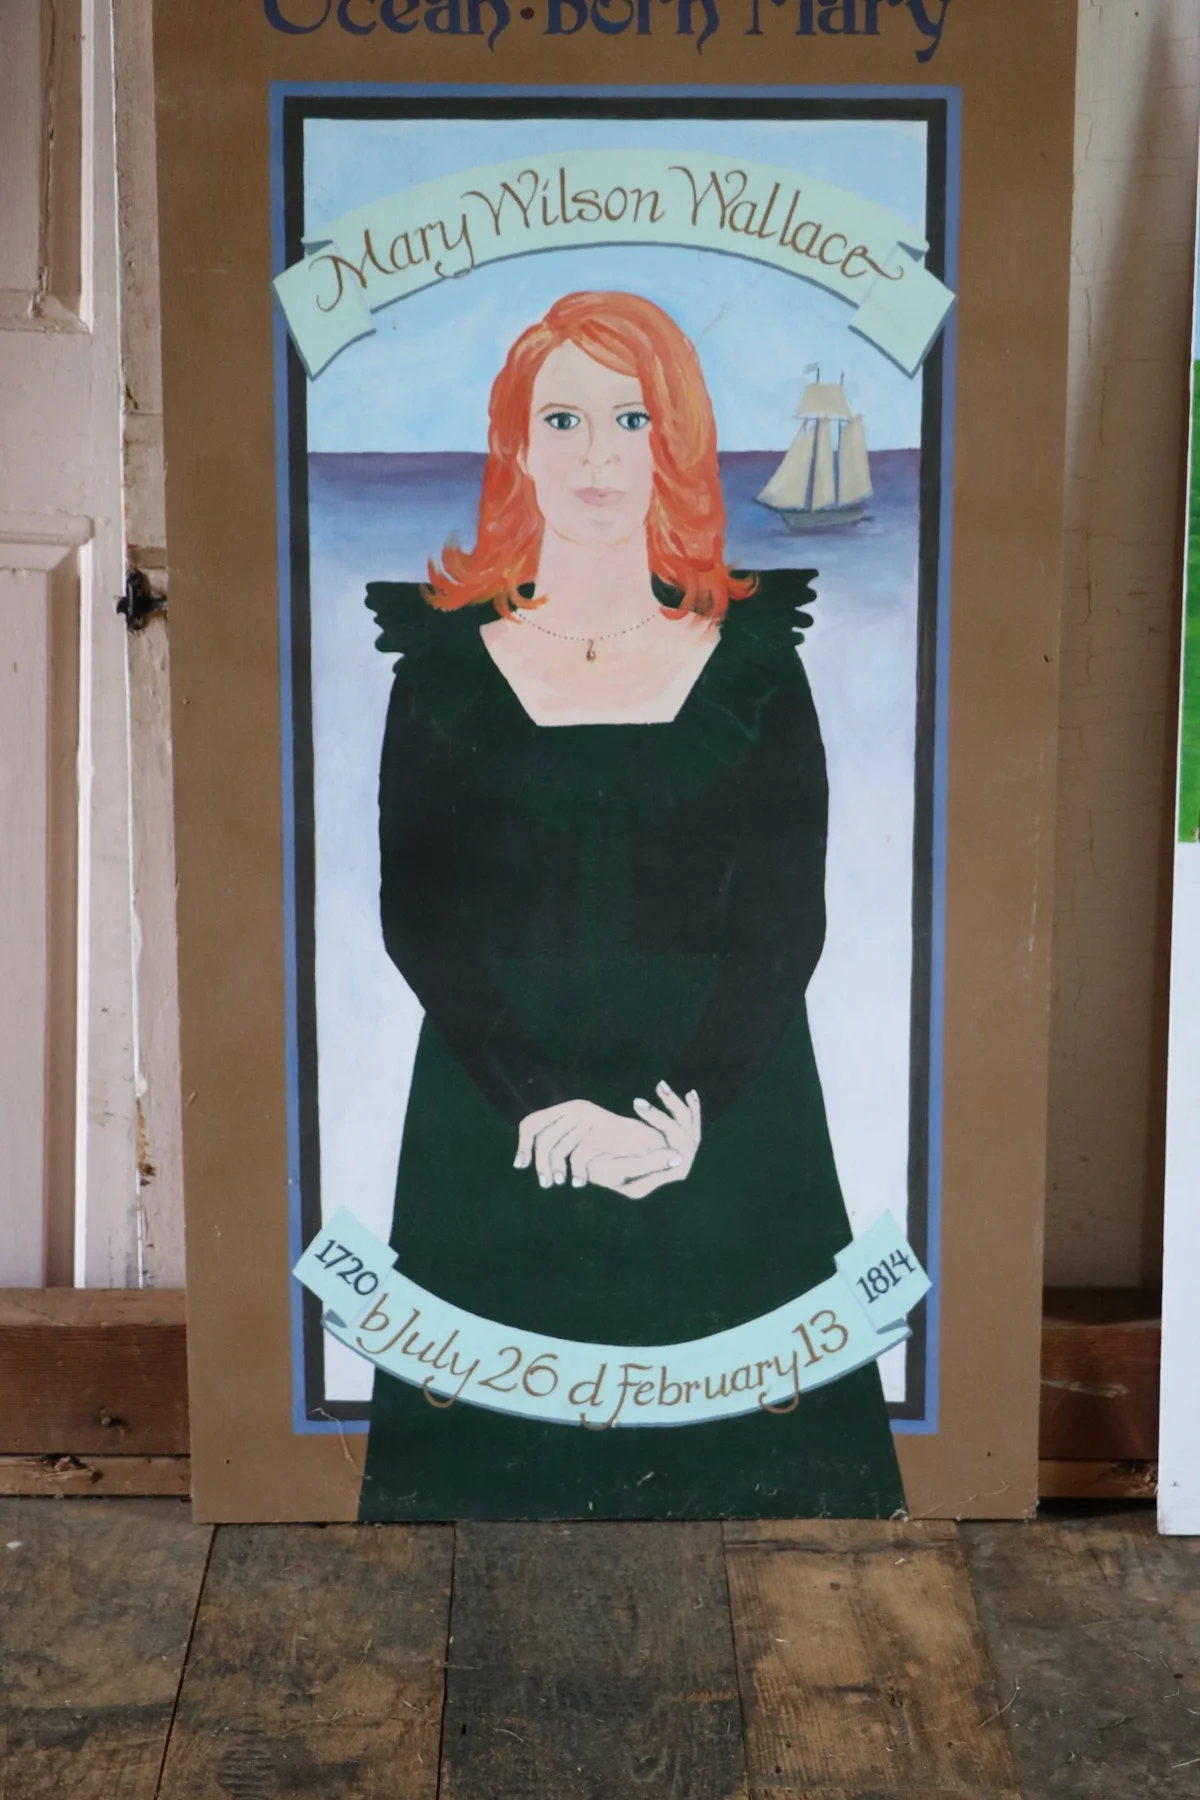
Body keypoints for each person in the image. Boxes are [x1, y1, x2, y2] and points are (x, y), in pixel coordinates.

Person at [357, 290, 904, 1519]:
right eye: (564, 419)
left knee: (794, 1511)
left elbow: (786, 924)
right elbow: (421, 917)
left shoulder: (759, 666)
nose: (599, 455)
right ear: (518, 446)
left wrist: (681, 1117)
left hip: (733, 1104)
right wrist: (546, 1109)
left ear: (678, 444)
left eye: (632, 418)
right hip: (498, 1106)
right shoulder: (442, 665)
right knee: (462, 1510)